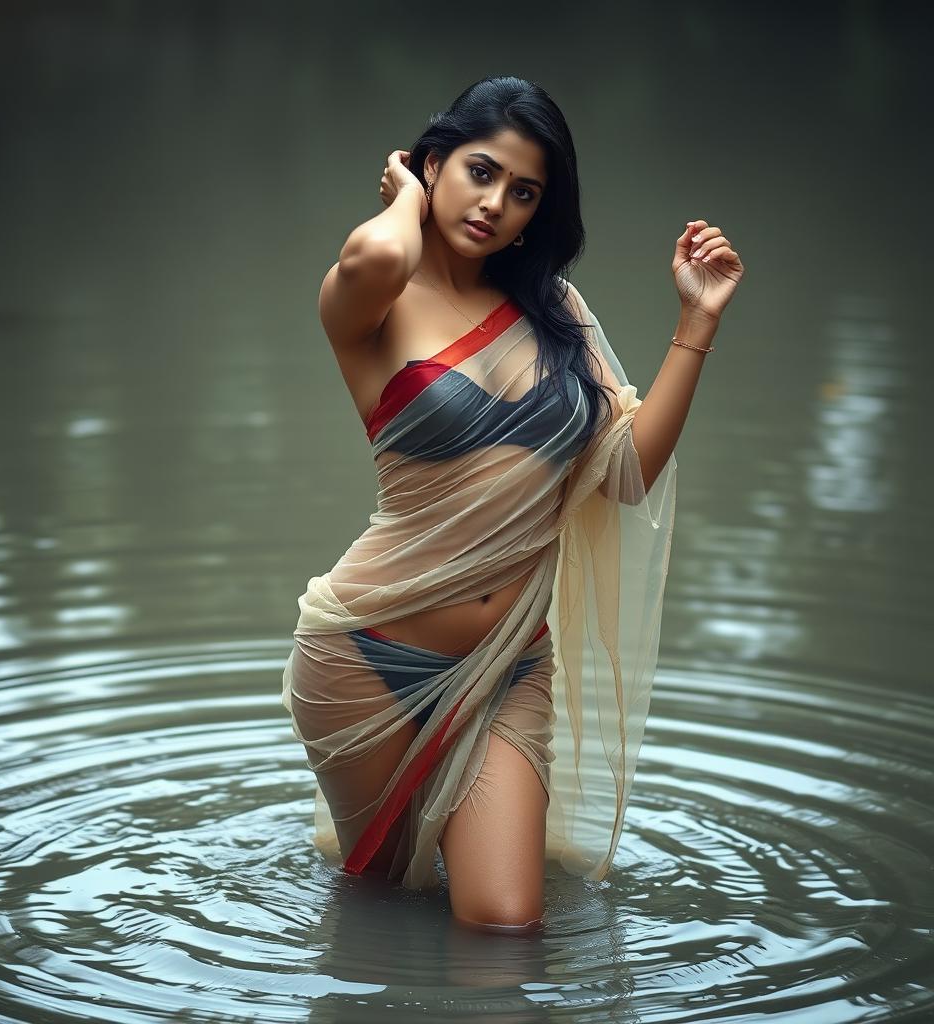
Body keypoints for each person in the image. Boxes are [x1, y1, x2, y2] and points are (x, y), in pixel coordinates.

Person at [281, 75, 744, 935]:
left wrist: (697, 320)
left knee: (504, 928)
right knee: (382, 907)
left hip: (509, 666)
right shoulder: (371, 300)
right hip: (364, 658)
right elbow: (381, 254)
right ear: (434, 164)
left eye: (523, 192)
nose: (496, 204)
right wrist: (408, 193)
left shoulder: (554, 313)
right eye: (479, 172)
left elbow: (626, 473)